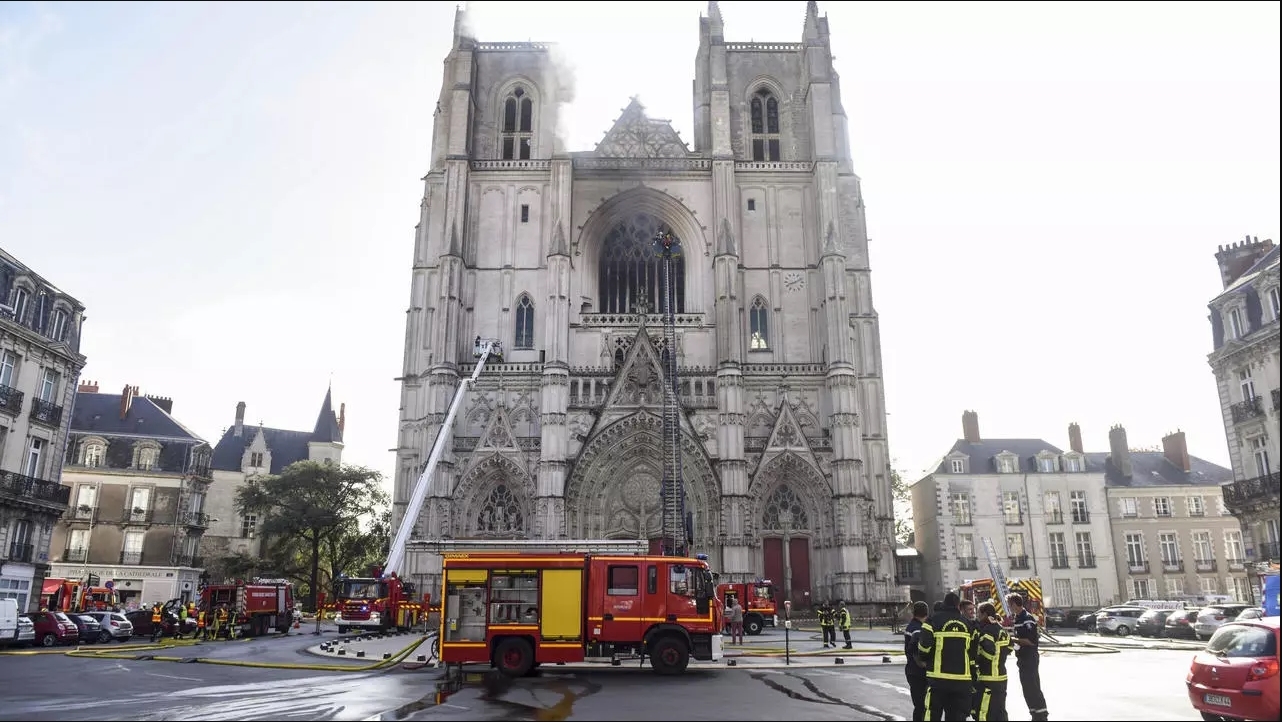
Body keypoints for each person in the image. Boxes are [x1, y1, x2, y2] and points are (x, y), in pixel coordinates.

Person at [917, 592, 976, 721]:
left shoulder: (932, 620)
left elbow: (924, 647)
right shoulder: (967, 624)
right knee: (957, 716)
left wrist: (925, 659)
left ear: (944, 603)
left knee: (932, 714)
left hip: (938, 680)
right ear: (958, 606)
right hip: (962, 681)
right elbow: (973, 652)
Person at [1007, 593, 1049, 721]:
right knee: (1027, 687)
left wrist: (1012, 639)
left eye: (1010, 604)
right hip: (1023, 658)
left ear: (1014, 604)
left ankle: (1041, 715)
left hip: (1029, 658)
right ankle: (1034, 713)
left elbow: (1031, 641)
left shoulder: (1027, 618)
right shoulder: (1018, 618)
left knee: (1033, 686)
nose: (1009, 607)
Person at [972, 602, 1012, 721]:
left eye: (979, 613)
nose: (977, 616)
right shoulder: (1001, 629)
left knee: (985, 711)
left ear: (985, 614)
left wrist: (977, 657)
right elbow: (1010, 647)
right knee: (999, 710)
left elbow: (989, 653)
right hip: (1001, 677)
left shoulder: (987, 630)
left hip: (988, 678)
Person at [903, 601, 931, 722]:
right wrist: (926, 665)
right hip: (919, 673)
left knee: (919, 706)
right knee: (922, 706)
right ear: (927, 613)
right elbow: (917, 654)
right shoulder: (918, 629)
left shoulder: (911, 626)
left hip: (912, 671)